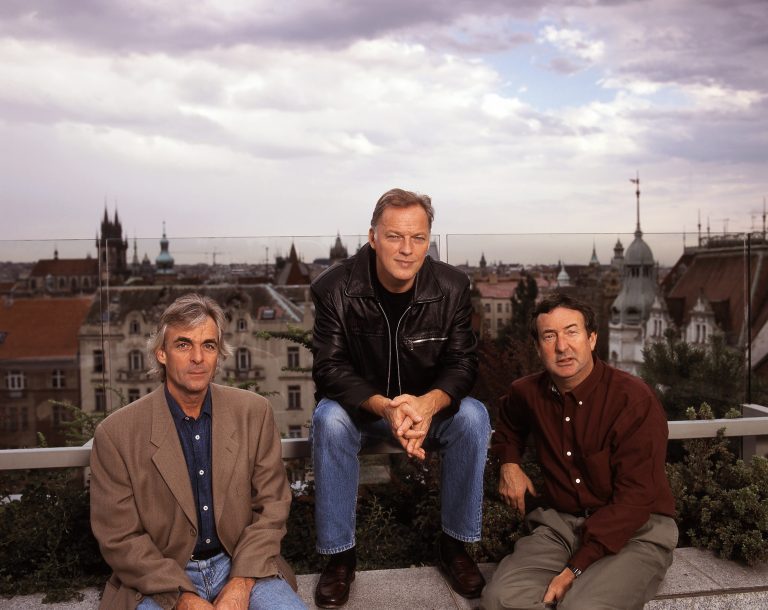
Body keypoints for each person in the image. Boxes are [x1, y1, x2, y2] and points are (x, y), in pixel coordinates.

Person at [310, 188, 491, 608]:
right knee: (328, 419)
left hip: (428, 411)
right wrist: (385, 407)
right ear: (373, 237)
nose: (407, 249)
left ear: (428, 241)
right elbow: (330, 368)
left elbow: (463, 364)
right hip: (363, 411)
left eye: (418, 238)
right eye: (394, 236)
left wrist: (427, 405)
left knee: (474, 417)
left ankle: (455, 546)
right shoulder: (334, 288)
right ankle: (339, 558)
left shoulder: (452, 286)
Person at [90, 293, 306, 610]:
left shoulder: (254, 412)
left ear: (219, 354)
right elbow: (119, 538)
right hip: (158, 578)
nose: (198, 358)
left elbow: (272, 507)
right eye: (183, 345)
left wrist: (242, 581)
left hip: (242, 562)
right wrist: (183, 598)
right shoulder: (116, 434)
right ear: (161, 353)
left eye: (208, 345)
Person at [482, 293, 678, 610]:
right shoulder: (527, 393)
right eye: (549, 336)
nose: (562, 347)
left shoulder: (633, 400)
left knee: (580, 607)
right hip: (560, 526)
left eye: (571, 332)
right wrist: (509, 464)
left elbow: (636, 498)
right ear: (538, 348)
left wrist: (574, 569)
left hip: (636, 529)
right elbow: (508, 424)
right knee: (498, 600)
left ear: (592, 338)